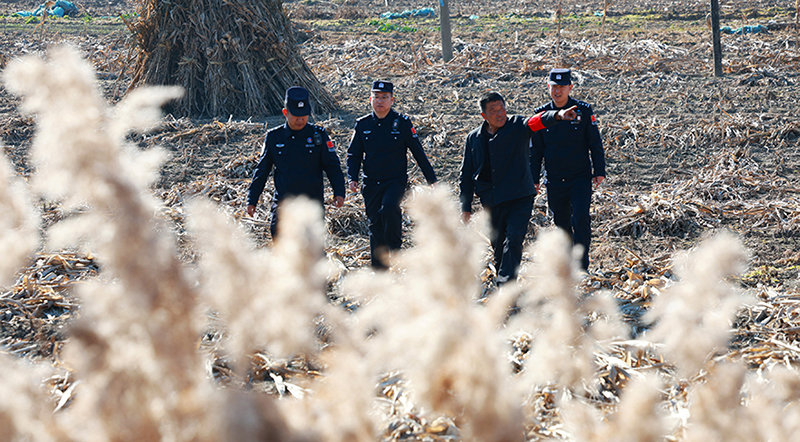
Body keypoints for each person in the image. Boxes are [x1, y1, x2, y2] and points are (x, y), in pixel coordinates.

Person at [460, 91, 576, 284]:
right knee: (498, 248)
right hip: (492, 200)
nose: (500, 114)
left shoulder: (518, 126)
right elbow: (466, 175)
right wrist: (465, 206)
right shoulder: (473, 139)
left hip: (520, 196)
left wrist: (558, 115)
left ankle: (505, 284)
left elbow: (536, 121)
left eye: (502, 108)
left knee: (514, 238)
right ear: (484, 116)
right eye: (494, 111)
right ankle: (506, 290)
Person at [347, 80, 438, 269]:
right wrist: (352, 178)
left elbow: (418, 152)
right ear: (370, 99)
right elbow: (353, 154)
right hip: (371, 182)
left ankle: (395, 248)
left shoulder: (402, 123)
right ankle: (379, 271)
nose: (380, 101)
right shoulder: (362, 125)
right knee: (375, 225)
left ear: (392, 100)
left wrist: (432, 180)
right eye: (376, 97)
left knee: (389, 209)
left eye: (384, 98)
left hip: (394, 181)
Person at [531, 68, 606, 271]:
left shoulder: (583, 110)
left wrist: (599, 170)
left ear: (570, 87)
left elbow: (594, 143)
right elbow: (535, 150)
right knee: (561, 222)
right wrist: (534, 178)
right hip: (555, 179)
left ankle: (582, 266)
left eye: (562, 87)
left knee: (581, 217)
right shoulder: (541, 115)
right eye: (554, 87)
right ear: (548, 87)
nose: (558, 91)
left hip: (580, 176)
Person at [246, 86, 346, 238]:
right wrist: (252, 200)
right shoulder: (274, 137)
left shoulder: (318, 136)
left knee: (311, 247)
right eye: (296, 116)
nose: (300, 120)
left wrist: (339, 192)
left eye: (304, 116)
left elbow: (332, 166)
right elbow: (262, 171)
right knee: (279, 237)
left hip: (312, 203)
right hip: (284, 203)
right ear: (285, 113)